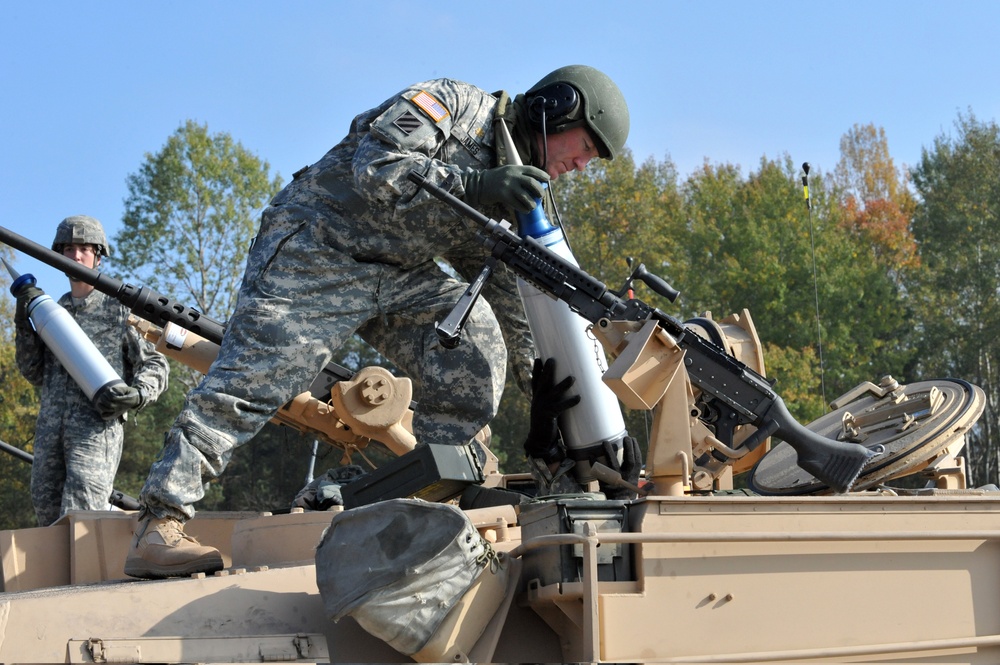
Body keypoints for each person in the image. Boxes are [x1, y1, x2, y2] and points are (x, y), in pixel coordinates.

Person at [125, 64, 630, 579]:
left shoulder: (516, 188)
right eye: (586, 148)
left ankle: (423, 516)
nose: (582, 165)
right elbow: (377, 165)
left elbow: (514, 299)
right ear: (555, 109)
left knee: (476, 355)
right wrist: (476, 184)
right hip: (319, 248)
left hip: (402, 275)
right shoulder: (455, 105)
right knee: (257, 379)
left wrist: (563, 403)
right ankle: (159, 524)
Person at [13, 215, 170, 527]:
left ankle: (81, 579)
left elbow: (155, 364)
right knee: (46, 514)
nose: (76, 256)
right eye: (68, 249)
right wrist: (24, 324)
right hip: (49, 433)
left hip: (95, 432)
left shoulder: (119, 308)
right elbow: (33, 372)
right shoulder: (53, 310)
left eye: (84, 249)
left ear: (98, 256)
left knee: (81, 516)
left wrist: (137, 394)